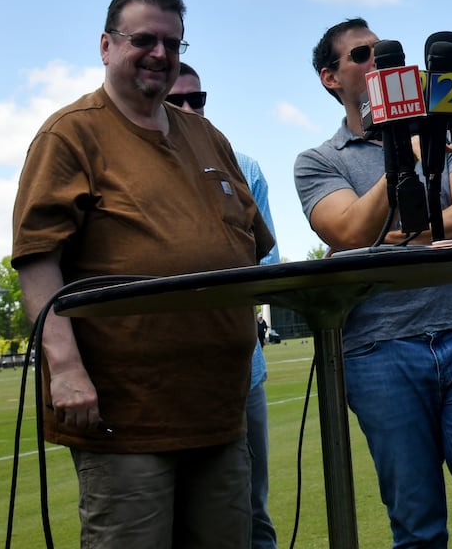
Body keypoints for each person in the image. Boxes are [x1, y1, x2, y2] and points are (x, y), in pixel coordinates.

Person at [12, 0, 274, 548]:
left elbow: (251, 250)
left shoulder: (209, 138)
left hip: (219, 412)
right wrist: (66, 370)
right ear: (106, 46)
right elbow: (38, 261)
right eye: (143, 40)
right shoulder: (71, 134)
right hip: (125, 418)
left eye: (172, 43)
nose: (159, 53)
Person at [293, 18, 452, 549]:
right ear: (330, 78)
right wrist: (404, 152)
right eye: (362, 55)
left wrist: (395, 236)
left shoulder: (447, 130)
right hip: (378, 353)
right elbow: (351, 231)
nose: (380, 62)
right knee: (418, 526)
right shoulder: (318, 162)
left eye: (383, 53)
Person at [168, 61, 281, 549]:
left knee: (252, 514)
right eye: (178, 100)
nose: (191, 109)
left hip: (241, 370)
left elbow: (269, 259)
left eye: (199, 99)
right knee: (168, 520)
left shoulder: (244, 166)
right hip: (162, 372)